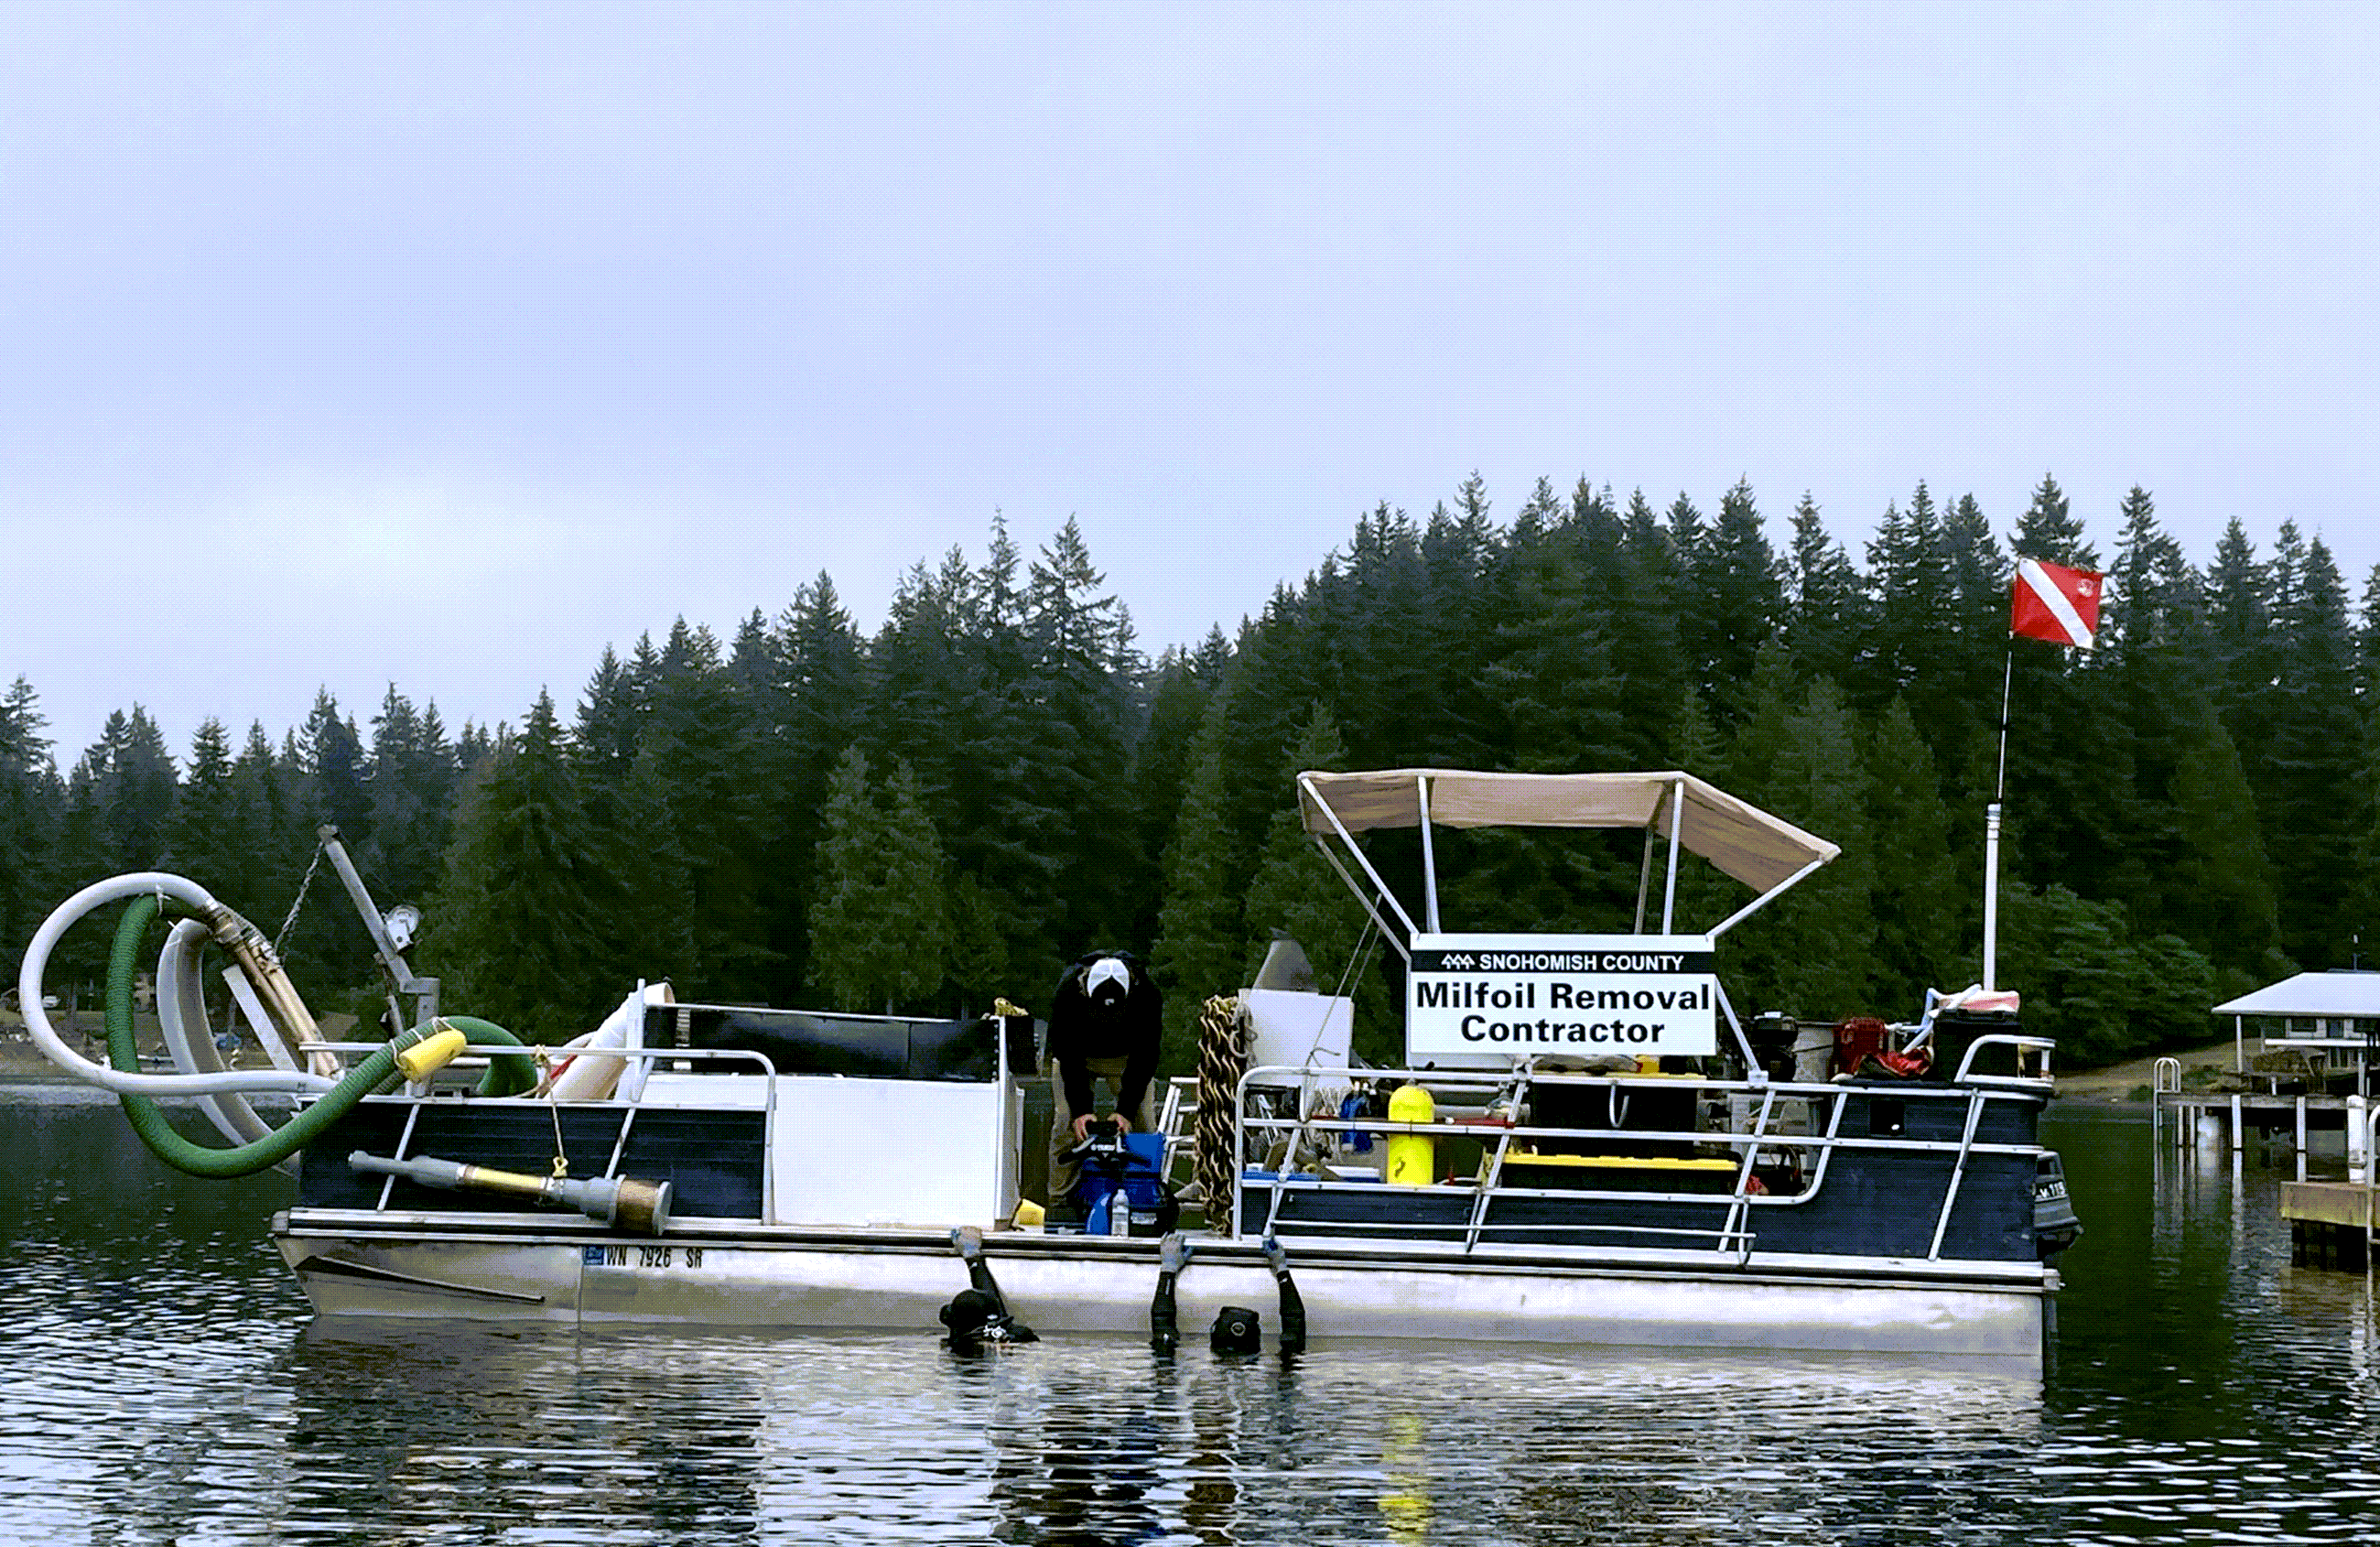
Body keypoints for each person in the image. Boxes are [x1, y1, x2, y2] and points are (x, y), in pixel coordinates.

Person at [1045, 951, 1162, 1206]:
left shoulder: (1148, 995)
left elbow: (1146, 1057)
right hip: (1077, 1056)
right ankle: (1059, 1200)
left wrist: (1125, 1111)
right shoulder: (1067, 993)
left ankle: (1143, 1196)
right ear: (1086, 993)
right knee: (1066, 1122)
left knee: (1144, 1122)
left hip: (1128, 1057)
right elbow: (1068, 1054)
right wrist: (1081, 1110)